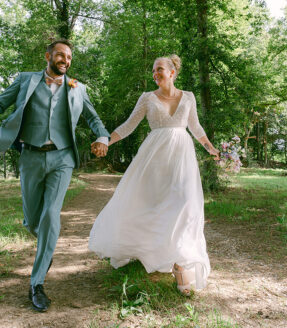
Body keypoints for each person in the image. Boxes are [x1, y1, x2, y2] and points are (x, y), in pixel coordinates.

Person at [0, 39, 110, 312]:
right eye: (60, 55)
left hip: (62, 158)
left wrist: (103, 136)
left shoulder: (77, 88)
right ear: (48, 55)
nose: (65, 60)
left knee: (50, 216)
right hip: (31, 156)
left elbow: (94, 119)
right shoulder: (26, 80)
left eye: (69, 57)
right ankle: (48, 244)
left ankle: (37, 282)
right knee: (33, 220)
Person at [88, 54, 219, 295]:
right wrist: (105, 140)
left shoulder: (188, 97)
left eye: (159, 69)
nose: (155, 73)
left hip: (181, 157)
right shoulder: (147, 98)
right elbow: (128, 126)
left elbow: (195, 126)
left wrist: (209, 147)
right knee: (152, 204)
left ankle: (180, 265)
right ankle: (149, 249)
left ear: (172, 72)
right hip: (154, 158)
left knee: (186, 206)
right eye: (153, 71)